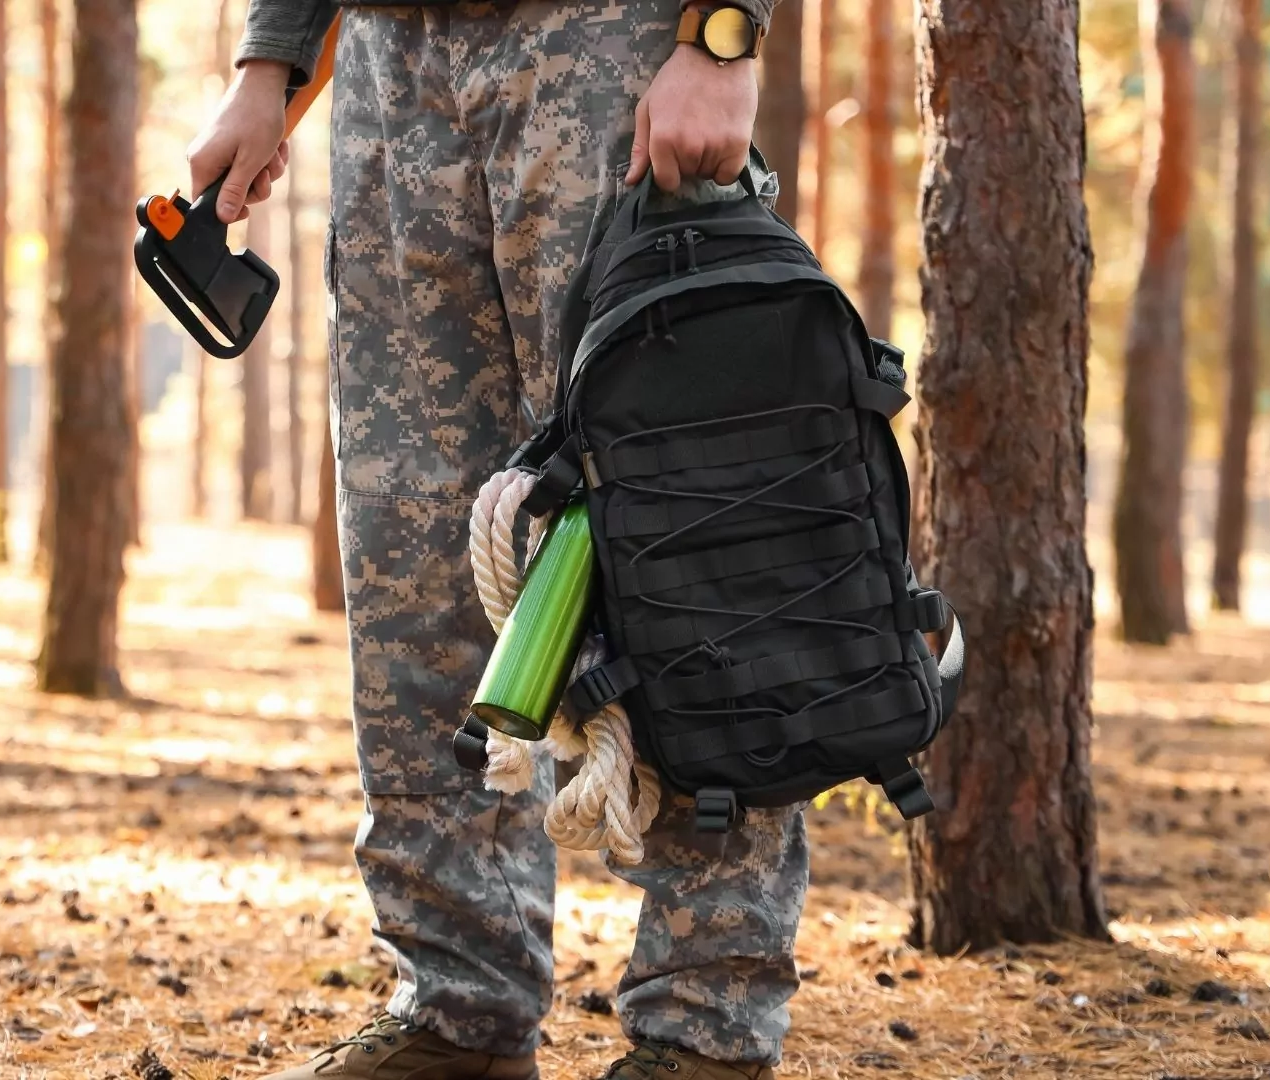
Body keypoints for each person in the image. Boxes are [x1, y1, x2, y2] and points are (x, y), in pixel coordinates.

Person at [187, 3, 798, 1078]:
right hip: (392, 68)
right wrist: (268, 61)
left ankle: (707, 1025)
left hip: (611, 44)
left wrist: (720, 40)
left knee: (683, 531)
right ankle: (456, 1010)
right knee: (414, 558)